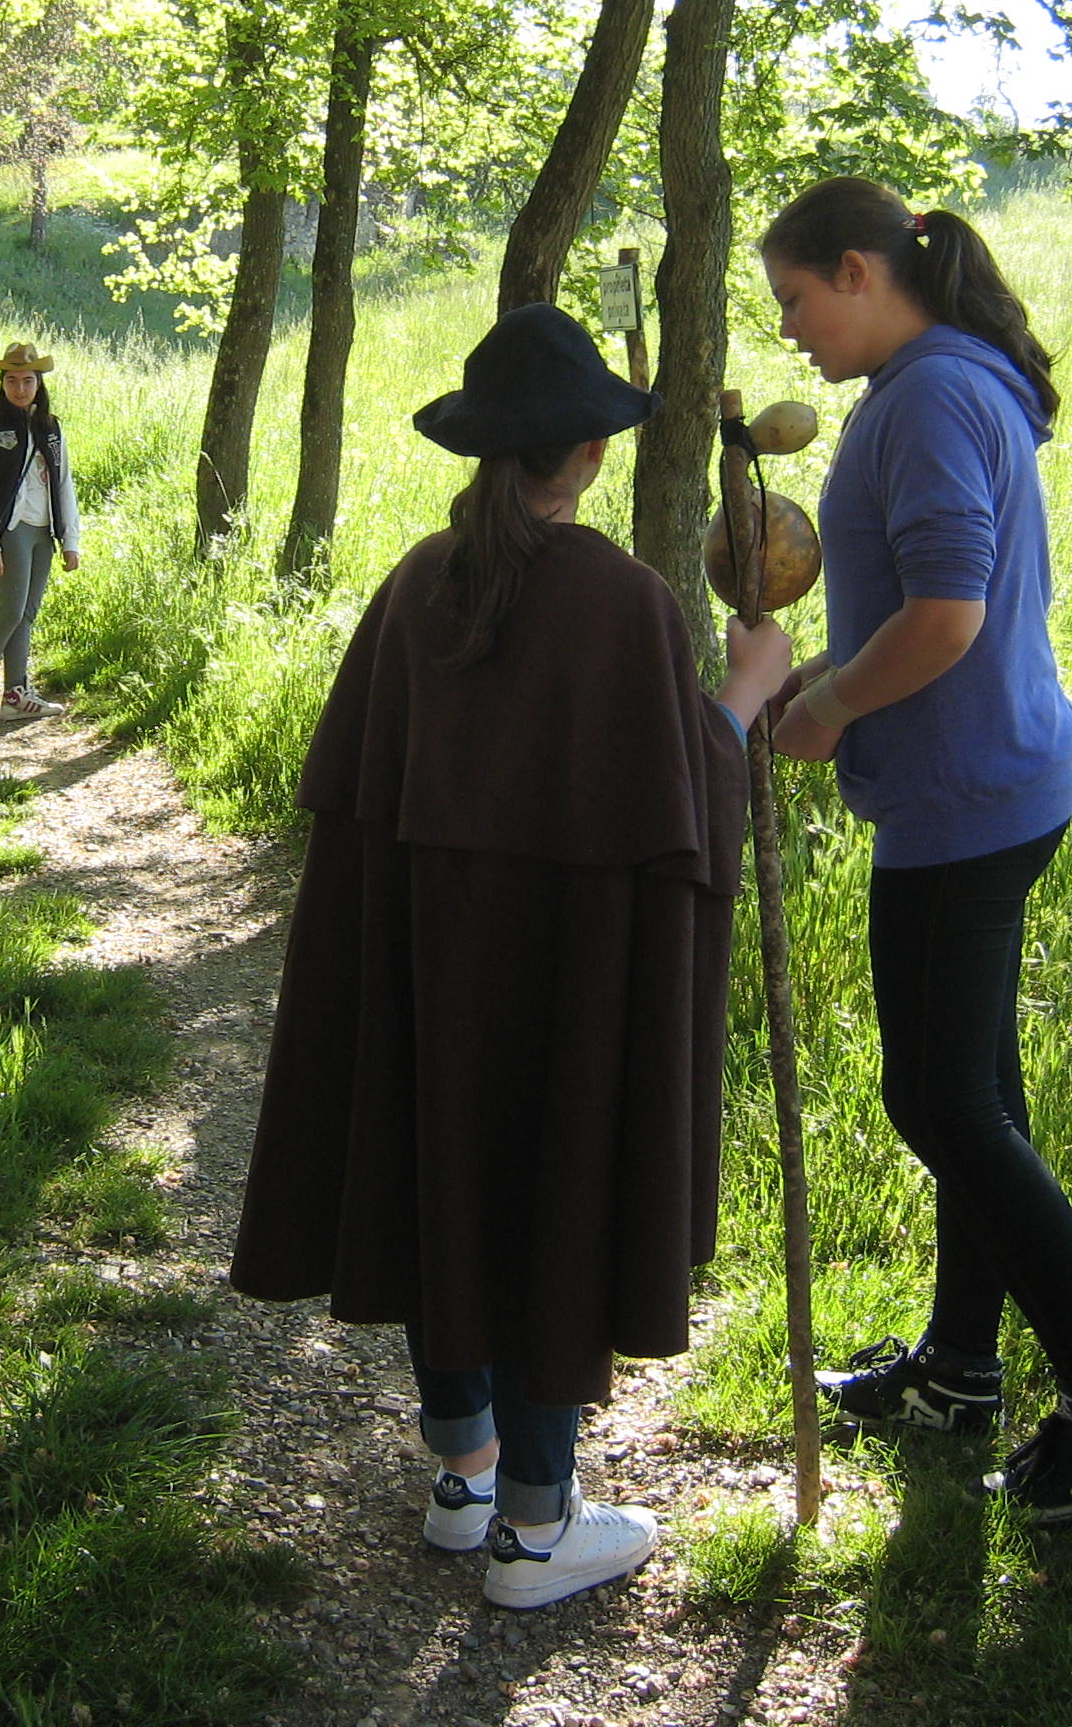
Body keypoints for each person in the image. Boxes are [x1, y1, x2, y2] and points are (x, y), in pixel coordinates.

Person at [230, 303, 792, 1609]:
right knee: (551, 1194)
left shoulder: (421, 585)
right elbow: (682, 803)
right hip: (568, 981)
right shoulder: (625, 605)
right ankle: (537, 1532)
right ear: (591, 454)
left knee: (445, 1174)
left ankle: (463, 1472)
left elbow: (367, 803)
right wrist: (749, 693)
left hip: (433, 971)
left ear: (489, 451)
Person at [756, 173, 1072, 1523]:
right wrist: (817, 671)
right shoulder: (938, 380)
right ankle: (960, 1368)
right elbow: (931, 608)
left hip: (967, 799)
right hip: (983, 779)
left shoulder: (936, 394)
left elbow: (949, 615)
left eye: (793, 302)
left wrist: (825, 706)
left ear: (859, 272)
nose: (791, 336)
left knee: (943, 1107)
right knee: (974, 1097)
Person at [0, 341, 82, 723]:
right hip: (10, 530)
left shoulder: (50, 427)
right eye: (11, 380)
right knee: (10, 610)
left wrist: (71, 540)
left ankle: (16, 694)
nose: (20, 388)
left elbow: (64, 483)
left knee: (26, 613)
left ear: (39, 383)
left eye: (27, 380)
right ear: (2, 383)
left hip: (43, 530)